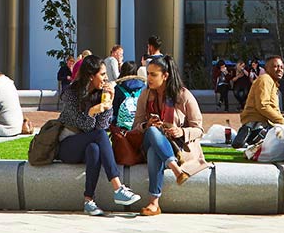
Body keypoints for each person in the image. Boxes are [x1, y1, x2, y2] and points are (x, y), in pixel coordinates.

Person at [53, 56, 144, 215]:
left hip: (88, 143)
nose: (105, 79)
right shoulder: (71, 94)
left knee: (94, 149)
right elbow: (86, 127)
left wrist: (109, 104)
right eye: (102, 75)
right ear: (90, 76)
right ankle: (117, 188)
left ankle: (89, 201)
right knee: (98, 137)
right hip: (67, 145)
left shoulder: (100, 93)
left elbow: (102, 126)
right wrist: (92, 111)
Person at [132, 56, 207, 216]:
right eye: (148, 74)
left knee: (154, 152)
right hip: (148, 141)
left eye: (153, 74)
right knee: (152, 132)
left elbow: (199, 129)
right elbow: (135, 127)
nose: (149, 78)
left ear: (165, 76)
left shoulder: (184, 96)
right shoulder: (145, 95)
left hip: (176, 148)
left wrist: (182, 131)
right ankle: (176, 170)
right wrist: (146, 125)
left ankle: (154, 203)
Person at [238, 55, 284, 133]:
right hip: (257, 126)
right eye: (276, 66)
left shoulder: (273, 84)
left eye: (282, 67)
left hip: (266, 125)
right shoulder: (265, 79)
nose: (280, 70)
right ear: (266, 69)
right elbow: (263, 105)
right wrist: (283, 122)